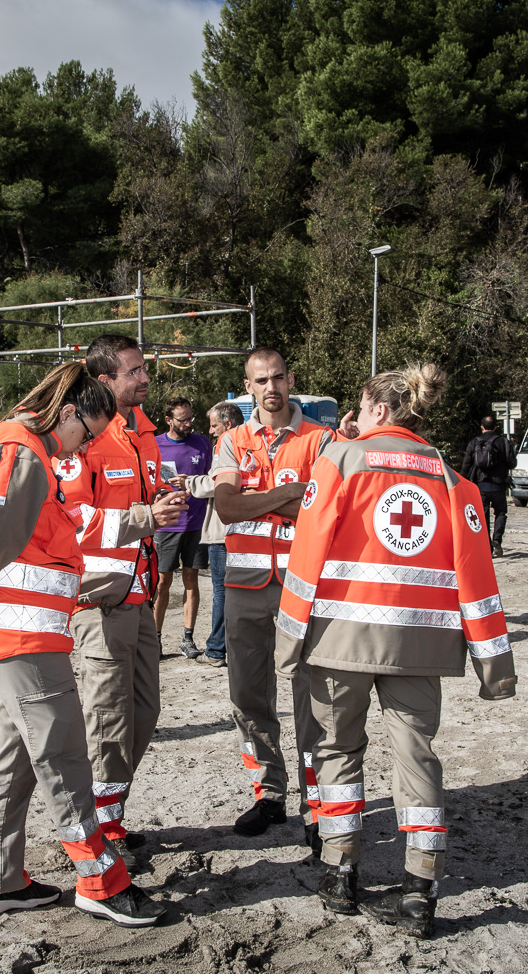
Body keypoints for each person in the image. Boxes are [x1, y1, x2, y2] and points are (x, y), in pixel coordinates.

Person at [0, 361, 165, 927]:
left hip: (16, 637)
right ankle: (101, 880)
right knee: (64, 756)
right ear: (69, 412)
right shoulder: (23, 451)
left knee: (13, 757)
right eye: (86, 434)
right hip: (20, 639)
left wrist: (135, 526)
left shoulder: (27, 452)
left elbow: (55, 529)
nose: (84, 448)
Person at [277, 363, 516, 938]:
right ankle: (420, 889)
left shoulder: (340, 461)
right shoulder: (448, 477)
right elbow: (475, 573)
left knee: (336, 749)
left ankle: (341, 874)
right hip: (421, 646)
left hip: (341, 643)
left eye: (358, 410)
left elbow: (308, 552)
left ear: (379, 411)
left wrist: (288, 637)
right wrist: (494, 663)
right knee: (417, 757)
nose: (353, 420)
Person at [59, 334, 189, 874]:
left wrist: (170, 500)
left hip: (140, 598)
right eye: (134, 371)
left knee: (143, 713)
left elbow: (150, 505)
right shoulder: (82, 437)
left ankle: (107, 813)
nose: (145, 379)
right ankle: (97, 833)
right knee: (108, 720)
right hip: (99, 603)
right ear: (105, 380)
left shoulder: (147, 437)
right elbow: (70, 522)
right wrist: (143, 518)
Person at [212, 347, 333, 849]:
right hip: (244, 588)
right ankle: (269, 792)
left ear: (290, 379)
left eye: (278, 377)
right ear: (248, 387)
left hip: (303, 587)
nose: (271, 388)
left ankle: (316, 801)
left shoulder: (321, 439)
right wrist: (290, 497)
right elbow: (226, 508)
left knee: (313, 698)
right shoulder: (234, 440)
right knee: (247, 696)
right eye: (260, 381)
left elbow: (324, 510)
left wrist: (260, 503)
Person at [184, 400, 243, 667]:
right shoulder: (251, 442)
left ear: (227, 424)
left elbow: (220, 483)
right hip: (240, 528)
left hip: (222, 530)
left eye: (214, 425)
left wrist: (189, 482)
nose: (210, 431)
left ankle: (217, 649)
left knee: (221, 591)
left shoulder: (228, 444)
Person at [153, 396, 212, 658]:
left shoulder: (201, 442)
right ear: (169, 420)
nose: (189, 423)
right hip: (167, 525)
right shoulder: (155, 445)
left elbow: (213, 477)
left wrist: (193, 481)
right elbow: (149, 482)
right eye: (183, 419)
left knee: (191, 579)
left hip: (196, 523)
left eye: (190, 418)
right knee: (162, 582)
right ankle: (155, 639)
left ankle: (187, 638)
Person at [461, 415, 511, 557]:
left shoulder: (474, 442)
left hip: (480, 486)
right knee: (501, 513)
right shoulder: (503, 442)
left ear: (481, 427)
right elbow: (512, 462)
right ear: (495, 427)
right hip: (499, 485)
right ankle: (497, 539)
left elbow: (466, 464)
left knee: (482, 517)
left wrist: (462, 482)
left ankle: (487, 546)